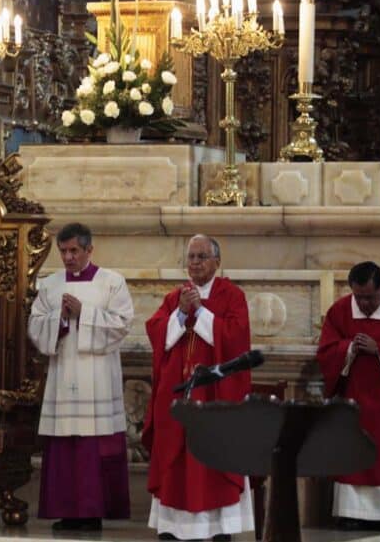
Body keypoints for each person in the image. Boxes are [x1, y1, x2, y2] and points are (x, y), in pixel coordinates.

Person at [143, 234, 254, 541]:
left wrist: (201, 312)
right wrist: (180, 312)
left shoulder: (231, 296)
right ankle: (174, 527)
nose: (194, 263)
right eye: (190, 257)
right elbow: (156, 332)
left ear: (217, 262)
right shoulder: (174, 297)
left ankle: (219, 528)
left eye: (201, 257)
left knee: (214, 458)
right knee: (176, 458)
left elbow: (237, 338)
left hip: (216, 395)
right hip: (178, 395)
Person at [28, 223, 133, 531]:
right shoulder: (50, 285)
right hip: (63, 373)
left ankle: (92, 511)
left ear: (90, 249)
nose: (68, 257)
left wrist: (83, 313)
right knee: (65, 446)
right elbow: (35, 325)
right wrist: (58, 318)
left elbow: (122, 325)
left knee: (93, 447)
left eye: (74, 250)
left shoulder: (112, 282)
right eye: (63, 251)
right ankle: (66, 510)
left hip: (97, 375)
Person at [317, 261, 380, 531]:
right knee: (354, 456)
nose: (364, 303)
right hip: (354, 402)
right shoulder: (340, 310)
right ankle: (352, 511)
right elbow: (326, 351)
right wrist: (348, 348)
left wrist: (379, 349)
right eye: (359, 297)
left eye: (370, 297)